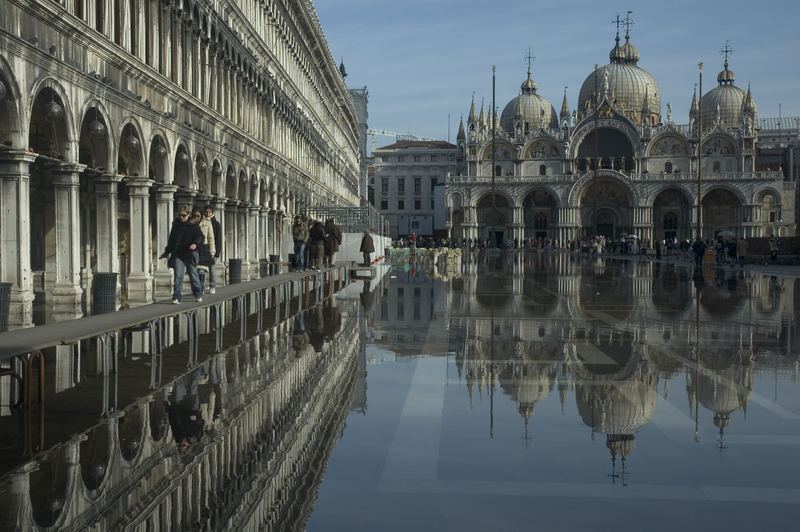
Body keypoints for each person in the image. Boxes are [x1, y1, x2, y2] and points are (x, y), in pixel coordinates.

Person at [160, 205, 204, 304]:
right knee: (178, 275)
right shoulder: (176, 225)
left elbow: (200, 237)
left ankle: (198, 293)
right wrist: (166, 252)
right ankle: (176, 297)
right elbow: (171, 240)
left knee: (193, 275)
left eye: (184, 215)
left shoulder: (193, 225)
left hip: (190, 254)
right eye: (179, 215)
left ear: (188, 215)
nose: (181, 217)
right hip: (178, 254)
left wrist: (195, 244)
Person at [192, 209, 215, 293]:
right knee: (194, 271)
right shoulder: (190, 223)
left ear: (201, 216)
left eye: (198, 216)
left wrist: (212, 251)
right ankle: (197, 289)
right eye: (194, 216)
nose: (196, 218)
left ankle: (200, 289)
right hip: (193, 249)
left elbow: (211, 238)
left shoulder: (207, 223)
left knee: (201, 270)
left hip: (204, 248)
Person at [204, 205, 222, 294]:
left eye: (209, 212)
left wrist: (217, 253)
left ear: (212, 213)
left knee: (212, 269)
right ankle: (202, 287)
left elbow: (219, 240)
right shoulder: (202, 222)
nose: (207, 214)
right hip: (204, 250)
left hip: (213, 250)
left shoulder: (216, 224)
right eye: (206, 212)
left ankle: (212, 286)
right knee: (202, 269)